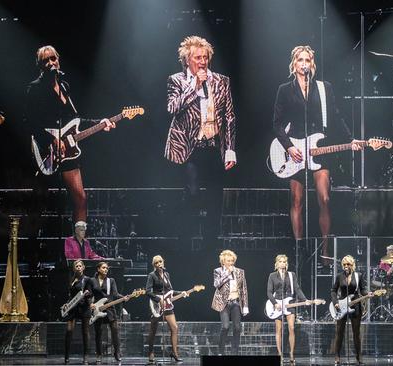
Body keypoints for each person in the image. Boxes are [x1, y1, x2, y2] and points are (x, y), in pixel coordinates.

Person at [272, 46, 362, 263]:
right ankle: (299, 248)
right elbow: (276, 123)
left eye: (308, 60)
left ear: (312, 64)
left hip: (318, 148)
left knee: (324, 197)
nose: (304, 63)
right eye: (300, 60)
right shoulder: (285, 89)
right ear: (294, 64)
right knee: (297, 200)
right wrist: (289, 147)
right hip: (294, 150)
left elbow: (337, 116)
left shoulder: (324, 88)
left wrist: (351, 139)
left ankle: (326, 250)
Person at [23, 45, 115, 237]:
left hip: (68, 151)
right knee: (39, 202)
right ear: (40, 65)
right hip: (46, 152)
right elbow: (29, 122)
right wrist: (51, 139)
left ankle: (79, 246)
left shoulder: (64, 86)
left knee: (80, 198)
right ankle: (32, 253)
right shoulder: (35, 88)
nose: (50, 63)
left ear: (58, 60)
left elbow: (75, 120)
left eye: (53, 59)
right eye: (45, 61)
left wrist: (101, 123)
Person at [165, 35, 237, 249]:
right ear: (188, 60)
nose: (202, 62)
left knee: (216, 197)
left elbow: (230, 116)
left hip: (213, 146)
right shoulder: (176, 80)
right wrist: (195, 85)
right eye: (197, 58)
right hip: (188, 148)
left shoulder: (221, 81)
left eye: (205, 57)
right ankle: (185, 243)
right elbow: (173, 108)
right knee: (192, 195)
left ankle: (210, 245)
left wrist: (231, 149)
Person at [331, 255, 373, 365]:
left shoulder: (358, 275)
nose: (346, 266)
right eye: (344, 264)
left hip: (355, 305)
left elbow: (362, 290)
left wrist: (367, 294)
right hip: (341, 306)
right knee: (339, 332)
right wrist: (335, 302)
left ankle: (359, 356)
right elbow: (333, 291)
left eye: (348, 264)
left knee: (356, 332)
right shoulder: (339, 276)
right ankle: (337, 356)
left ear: (352, 265)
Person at [145, 255, 187, 364]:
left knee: (174, 327)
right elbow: (148, 291)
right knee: (153, 330)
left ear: (163, 262)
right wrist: (158, 299)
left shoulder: (167, 274)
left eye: (160, 262)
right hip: (156, 305)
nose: (159, 264)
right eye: (157, 263)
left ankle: (174, 353)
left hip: (167, 305)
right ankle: (150, 353)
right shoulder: (152, 275)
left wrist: (181, 293)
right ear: (154, 265)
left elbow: (170, 291)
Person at [266, 254, 307, 364]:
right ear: (277, 263)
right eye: (281, 261)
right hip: (278, 304)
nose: (283, 263)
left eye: (284, 261)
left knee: (291, 328)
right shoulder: (272, 276)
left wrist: (305, 299)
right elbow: (269, 292)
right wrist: (275, 303)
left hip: (289, 303)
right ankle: (279, 354)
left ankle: (291, 353)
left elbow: (297, 288)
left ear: (286, 263)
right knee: (278, 330)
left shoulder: (291, 275)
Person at [211, 249, 249, 355]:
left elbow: (244, 289)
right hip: (223, 303)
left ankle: (234, 352)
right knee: (225, 327)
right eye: (228, 261)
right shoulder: (218, 271)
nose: (230, 263)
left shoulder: (240, 272)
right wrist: (227, 274)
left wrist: (245, 306)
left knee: (237, 328)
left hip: (236, 302)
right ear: (223, 261)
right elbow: (216, 284)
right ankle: (221, 351)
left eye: (232, 261)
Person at [64, 259, 95, 365]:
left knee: (85, 332)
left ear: (83, 267)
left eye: (80, 266)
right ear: (74, 268)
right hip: (73, 308)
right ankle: (66, 356)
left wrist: (87, 293)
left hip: (84, 307)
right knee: (69, 331)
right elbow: (71, 295)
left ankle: (86, 356)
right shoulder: (71, 279)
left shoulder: (87, 279)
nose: (78, 267)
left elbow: (91, 293)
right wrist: (67, 304)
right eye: (76, 266)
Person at [92, 261, 124, 363]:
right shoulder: (92, 280)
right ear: (98, 269)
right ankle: (98, 354)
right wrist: (91, 304)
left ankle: (117, 352)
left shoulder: (111, 281)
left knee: (115, 331)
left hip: (110, 309)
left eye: (107, 268)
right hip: (97, 309)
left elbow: (115, 294)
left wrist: (124, 297)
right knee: (98, 332)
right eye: (103, 268)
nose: (106, 269)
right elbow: (89, 294)